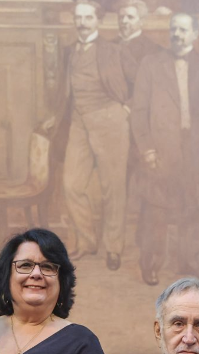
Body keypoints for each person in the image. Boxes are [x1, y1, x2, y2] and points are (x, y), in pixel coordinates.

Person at [44, 0, 137, 270]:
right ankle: (87, 241)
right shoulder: (69, 50)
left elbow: (140, 80)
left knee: (113, 188)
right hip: (78, 123)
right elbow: (64, 89)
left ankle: (113, 248)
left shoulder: (114, 51)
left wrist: (128, 107)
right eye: (78, 17)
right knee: (72, 184)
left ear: (98, 21)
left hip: (110, 121)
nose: (82, 22)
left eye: (87, 17)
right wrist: (56, 114)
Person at [130, 13, 199, 285]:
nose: (177, 35)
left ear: (194, 34)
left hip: (193, 148)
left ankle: (189, 261)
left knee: (192, 207)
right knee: (156, 209)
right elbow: (139, 111)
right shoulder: (151, 64)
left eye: (183, 30)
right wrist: (147, 149)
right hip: (161, 146)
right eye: (173, 29)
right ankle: (151, 263)